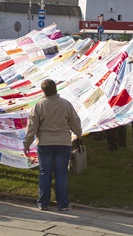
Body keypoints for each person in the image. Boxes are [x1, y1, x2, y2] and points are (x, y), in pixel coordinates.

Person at [23, 79, 82, 211]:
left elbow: (32, 126)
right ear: (56, 89)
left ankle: (43, 203)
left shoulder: (39, 105)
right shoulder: (65, 104)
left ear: (43, 91)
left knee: (45, 173)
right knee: (61, 174)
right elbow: (75, 121)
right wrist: (78, 133)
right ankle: (63, 204)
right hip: (63, 143)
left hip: (45, 143)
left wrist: (27, 143)